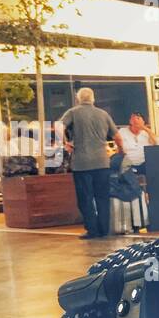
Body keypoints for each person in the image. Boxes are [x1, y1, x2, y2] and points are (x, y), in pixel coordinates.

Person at [59, 86, 118, 239]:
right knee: (102, 197)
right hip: (102, 162)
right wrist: (122, 150)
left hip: (81, 164)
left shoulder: (73, 112)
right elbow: (117, 136)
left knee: (85, 198)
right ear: (93, 99)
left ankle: (92, 230)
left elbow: (58, 126)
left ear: (78, 99)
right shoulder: (103, 114)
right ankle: (104, 229)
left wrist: (65, 142)